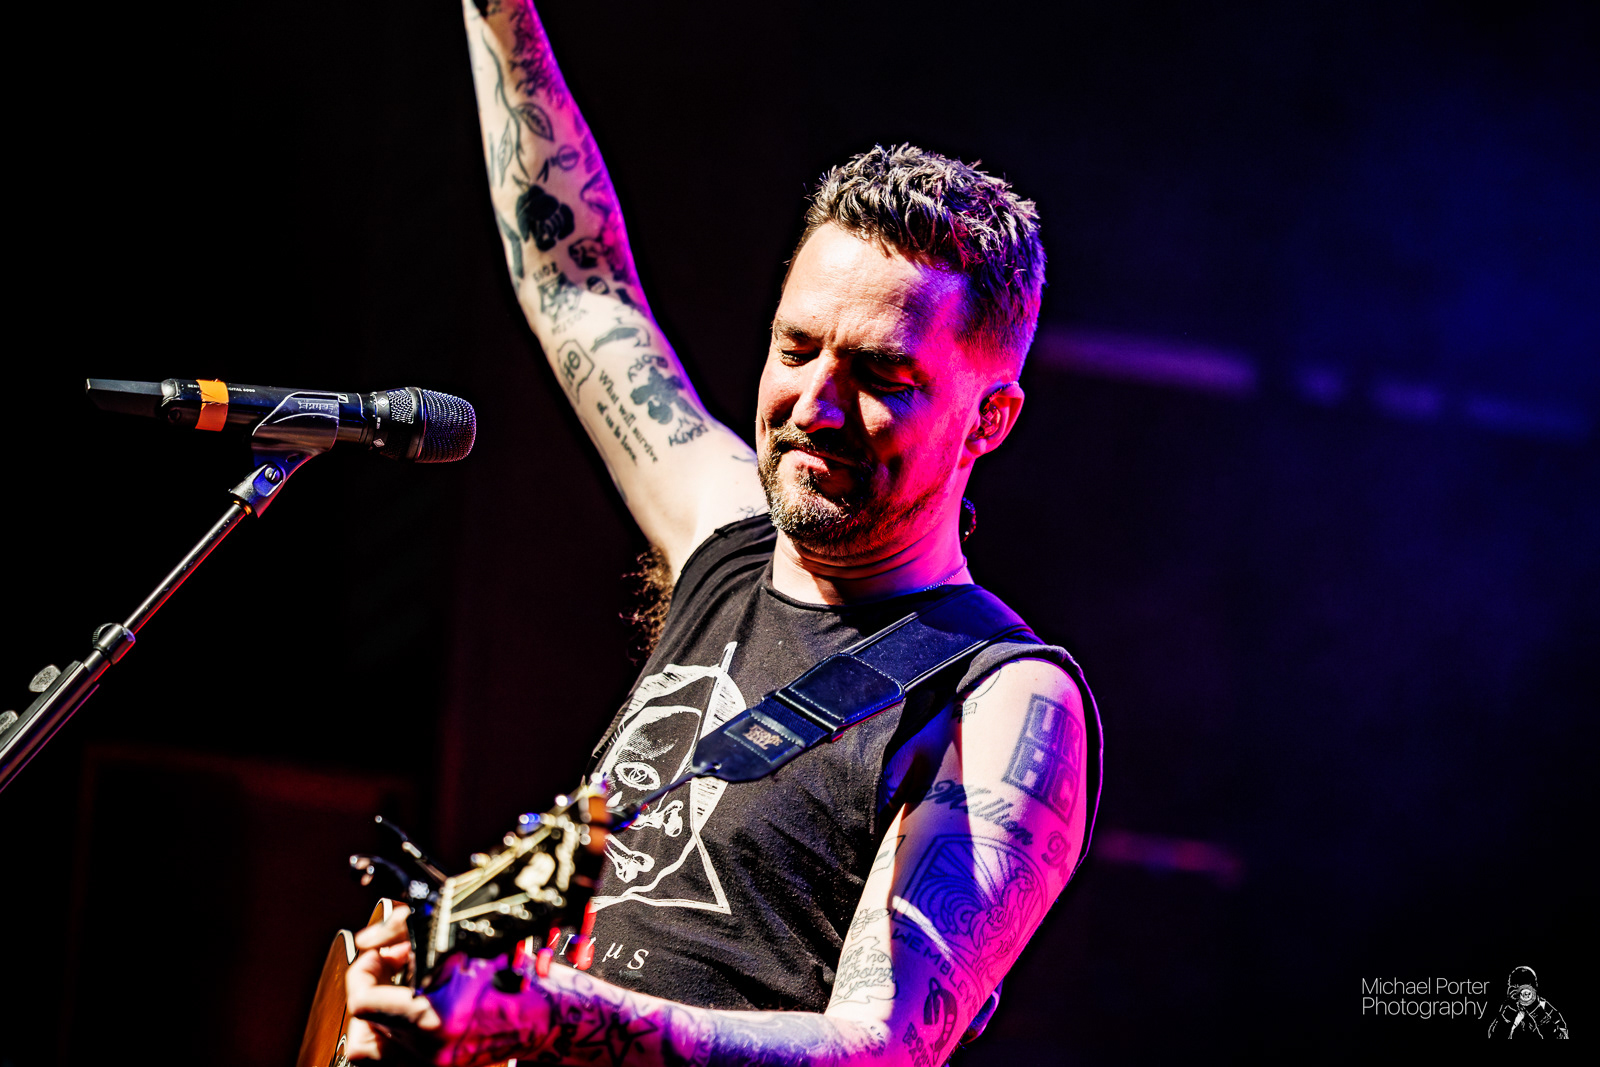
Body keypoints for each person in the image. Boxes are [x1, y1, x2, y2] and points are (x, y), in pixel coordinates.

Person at [345, 2, 1100, 1062]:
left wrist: (560, 1015)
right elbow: (576, 284)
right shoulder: (726, 532)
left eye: (882, 375)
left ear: (989, 418)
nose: (816, 404)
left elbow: (883, 1045)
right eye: (797, 348)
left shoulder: (1005, 696)